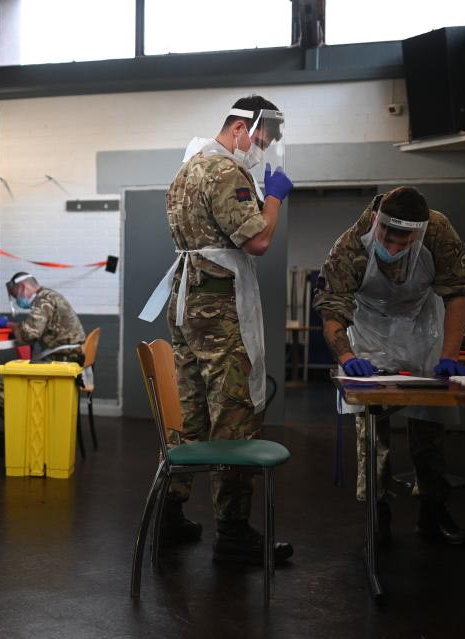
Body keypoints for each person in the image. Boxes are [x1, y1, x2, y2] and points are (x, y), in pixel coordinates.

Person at [140, 95, 295, 564]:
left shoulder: (185, 171)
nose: (260, 151)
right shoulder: (226, 172)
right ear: (240, 129)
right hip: (217, 306)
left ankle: (169, 515)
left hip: (187, 305)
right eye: (260, 141)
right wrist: (274, 197)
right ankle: (233, 533)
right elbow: (259, 240)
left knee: (190, 413)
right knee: (234, 410)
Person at [314, 186, 465, 545]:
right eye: (388, 238)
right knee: (373, 431)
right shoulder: (350, 245)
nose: (393, 249)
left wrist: (449, 355)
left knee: (429, 426)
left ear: (419, 233)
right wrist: (347, 357)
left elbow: (456, 296)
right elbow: (331, 308)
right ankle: (378, 515)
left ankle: (433, 514)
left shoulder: (439, 232)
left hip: (421, 325)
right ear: (377, 221)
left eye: (405, 244)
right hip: (370, 331)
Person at [0, 273, 86, 415]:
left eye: (16, 296)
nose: (18, 301)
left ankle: (29, 422)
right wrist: (16, 326)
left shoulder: (43, 300)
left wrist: (7, 325)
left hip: (61, 361)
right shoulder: (50, 296)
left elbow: (29, 334)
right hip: (69, 359)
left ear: (23, 287)